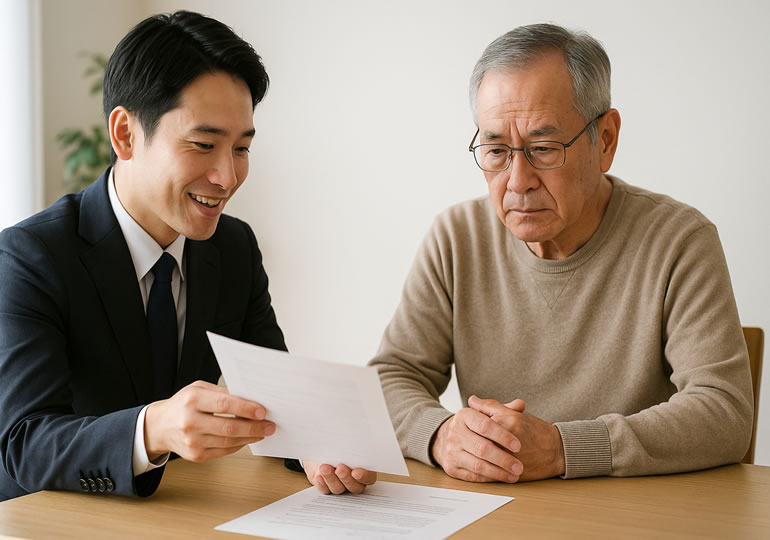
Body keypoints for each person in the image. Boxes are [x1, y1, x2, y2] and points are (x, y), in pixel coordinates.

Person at [0, 10, 374, 500]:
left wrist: (315, 445)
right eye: (203, 144)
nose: (227, 177)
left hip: (176, 512)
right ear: (125, 134)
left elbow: (275, 395)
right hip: (53, 519)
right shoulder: (29, 257)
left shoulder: (233, 247)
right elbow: (24, 443)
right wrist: (152, 429)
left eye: (241, 149)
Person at [369, 23, 753, 483]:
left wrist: (562, 449)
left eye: (544, 148)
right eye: (496, 150)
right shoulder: (456, 237)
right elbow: (391, 377)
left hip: (630, 510)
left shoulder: (679, 241)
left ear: (605, 140)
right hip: (494, 508)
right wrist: (439, 434)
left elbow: (724, 410)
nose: (517, 181)